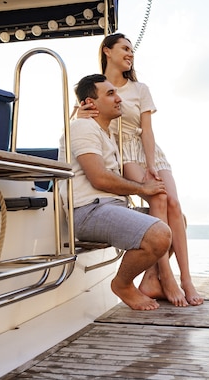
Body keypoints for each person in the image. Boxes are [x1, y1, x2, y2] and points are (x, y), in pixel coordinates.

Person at [77, 33, 204, 307]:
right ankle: (166, 277)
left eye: (132, 50)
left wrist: (151, 165)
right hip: (120, 152)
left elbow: (147, 130)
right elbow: (80, 128)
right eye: (124, 48)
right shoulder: (97, 89)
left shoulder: (139, 89)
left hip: (146, 150)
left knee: (174, 205)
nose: (130, 54)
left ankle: (182, 278)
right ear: (107, 51)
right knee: (157, 198)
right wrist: (77, 114)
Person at [59, 73, 171, 311]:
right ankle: (122, 284)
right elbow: (98, 177)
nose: (119, 99)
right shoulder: (82, 127)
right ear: (90, 103)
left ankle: (151, 280)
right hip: (88, 211)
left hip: (111, 207)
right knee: (159, 234)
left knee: (173, 218)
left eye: (116, 92)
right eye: (110, 94)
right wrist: (143, 188)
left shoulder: (106, 135)